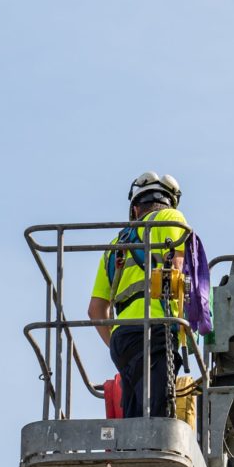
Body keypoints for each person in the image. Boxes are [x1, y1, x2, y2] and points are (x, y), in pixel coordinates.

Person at [87, 172, 195, 420]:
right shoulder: (171, 218)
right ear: (168, 202)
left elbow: (95, 311)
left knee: (134, 416)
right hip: (155, 331)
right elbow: (176, 272)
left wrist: (117, 340)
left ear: (135, 209)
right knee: (156, 419)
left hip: (122, 340)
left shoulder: (114, 246)